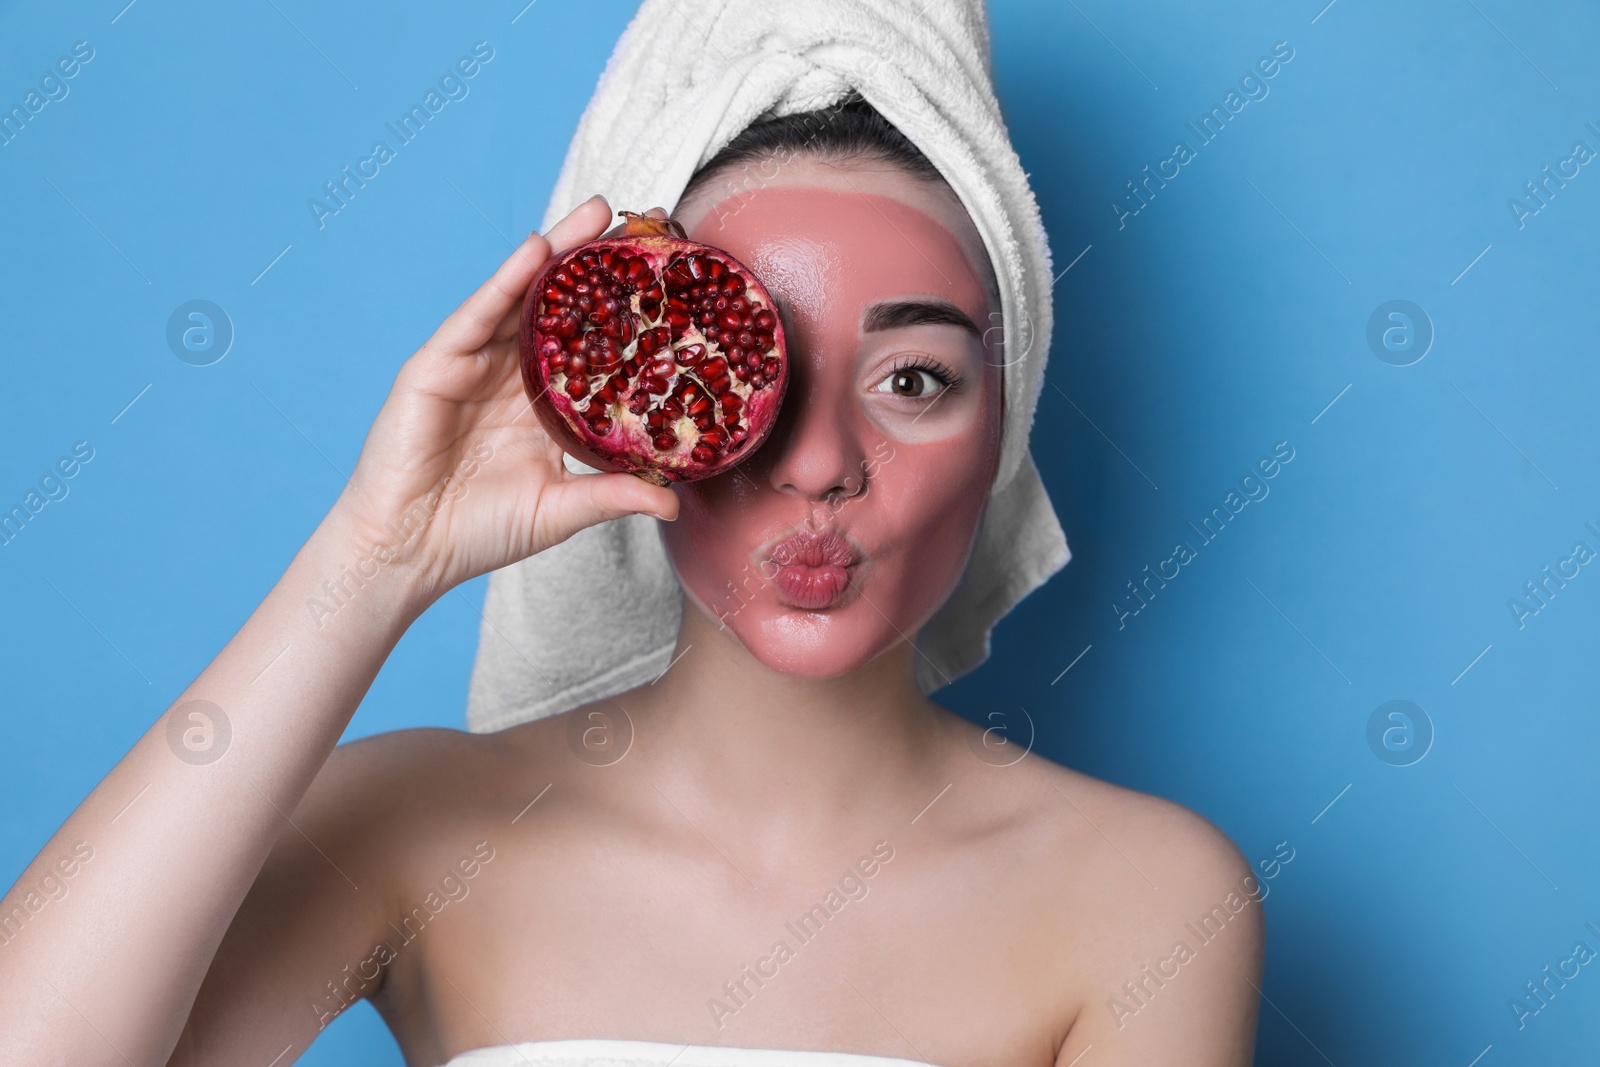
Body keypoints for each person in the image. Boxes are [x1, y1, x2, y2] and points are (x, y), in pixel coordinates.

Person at [0, 100, 1262, 1067]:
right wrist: (372, 558)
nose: (818, 464)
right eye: (732, 364)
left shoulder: (1143, 892)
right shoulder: (420, 825)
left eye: (913, 378)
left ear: (1008, 424)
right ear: (624, 412)